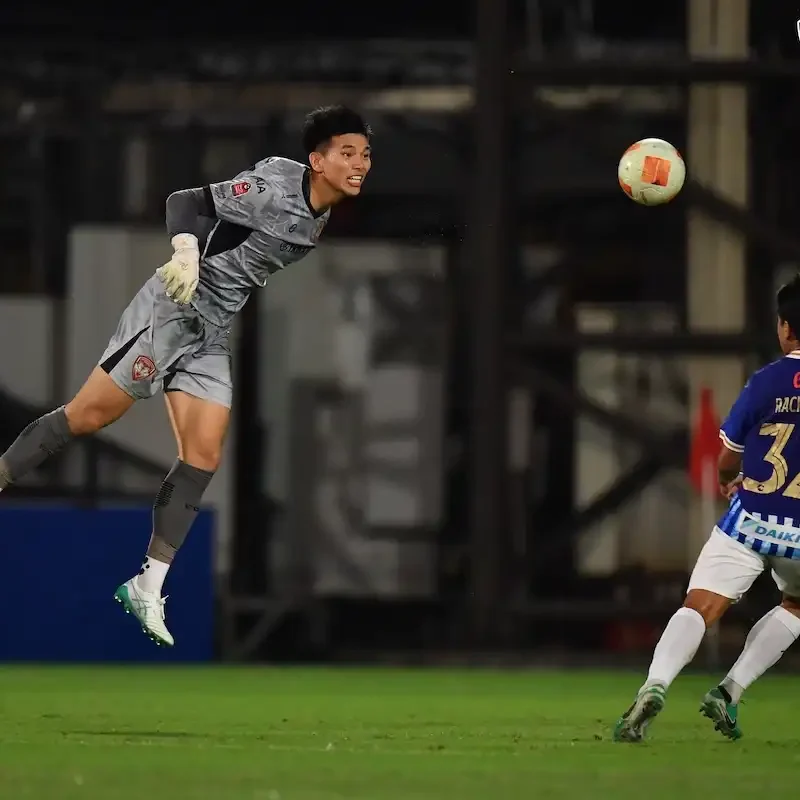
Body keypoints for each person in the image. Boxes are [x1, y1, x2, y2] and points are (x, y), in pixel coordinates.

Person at [0, 105, 372, 647]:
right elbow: (186, 201)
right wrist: (185, 251)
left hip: (211, 332)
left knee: (204, 455)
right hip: (173, 309)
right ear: (316, 160)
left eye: (364, 154)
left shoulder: (322, 211)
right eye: (347, 153)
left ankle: (147, 585)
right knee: (88, 416)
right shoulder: (275, 190)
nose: (359, 163)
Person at [614, 274, 800, 742]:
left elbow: (729, 454)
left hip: (751, 518)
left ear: (785, 328)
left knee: (700, 605)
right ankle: (730, 691)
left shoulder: (766, 381)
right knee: (796, 605)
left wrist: (725, 479)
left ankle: (655, 685)